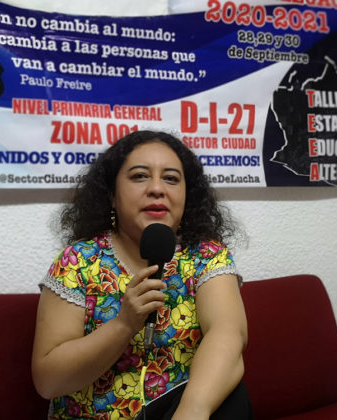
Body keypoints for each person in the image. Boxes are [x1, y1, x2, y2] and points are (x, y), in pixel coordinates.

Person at [32, 130, 251, 419]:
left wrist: (191, 411)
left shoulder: (205, 256)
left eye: (171, 178)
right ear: (112, 195)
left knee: (234, 398)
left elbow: (228, 334)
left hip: (179, 412)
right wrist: (124, 324)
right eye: (139, 176)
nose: (157, 189)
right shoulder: (78, 261)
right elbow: (48, 382)